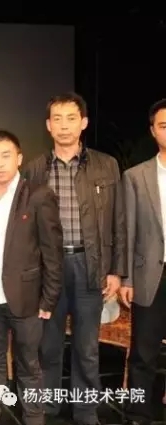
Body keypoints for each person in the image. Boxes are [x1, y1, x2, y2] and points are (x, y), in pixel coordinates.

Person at [23, 92, 127, 425]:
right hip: (48, 269)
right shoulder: (34, 169)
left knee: (86, 346)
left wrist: (117, 271)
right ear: (48, 125)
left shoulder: (106, 165)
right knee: (49, 344)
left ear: (83, 122)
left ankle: (85, 409)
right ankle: (49, 405)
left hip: (90, 265)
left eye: (71, 118)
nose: (64, 125)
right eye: (57, 119)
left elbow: (119, 221)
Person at [0, 130, 63, 425]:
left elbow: (52, 252)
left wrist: (49, 298)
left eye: (6, 156)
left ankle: (33, 416)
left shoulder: (38, 195)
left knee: (29, 363)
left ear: (19, 158)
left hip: (27, 298)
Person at [122, 98, 166, 425]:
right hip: (151, 274)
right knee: (143, 351)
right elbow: (128, 231)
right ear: (153, 131)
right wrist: (126, 278)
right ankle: (139, 412)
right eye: (163, 125)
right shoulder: (136, 176)